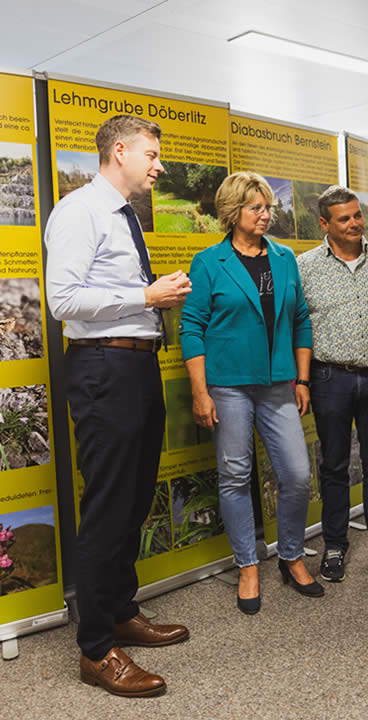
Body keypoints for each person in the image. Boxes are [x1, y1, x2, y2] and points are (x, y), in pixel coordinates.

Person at [44, 115, 191, 698]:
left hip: (135, 364)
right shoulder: (79, 211)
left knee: (133, 496)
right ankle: (96, 648)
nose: (159, 165)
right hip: (102, 366)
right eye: (152, 154)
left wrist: (157, 302)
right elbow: (62, 300)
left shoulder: (125, 214)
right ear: (120, 150)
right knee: (107, 501)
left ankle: (121, 609)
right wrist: (144, 295)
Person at [180, 171, 322, 614]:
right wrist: (201, 393)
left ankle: (292, 555)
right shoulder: (209, 263)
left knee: (297, 475)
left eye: (267, 207)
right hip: (228, 387)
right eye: (255, 208)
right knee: (236, 476)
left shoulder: (284, 258)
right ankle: (247, 564)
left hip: (279, 384)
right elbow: (192, 328)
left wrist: (302, 379)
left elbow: (300, 320)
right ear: (232, 212)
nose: (265, 215)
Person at [297, 186, 368, 583]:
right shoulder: (305, 267)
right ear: (325, 224)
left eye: (357, 215)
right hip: (329, 377)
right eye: (343, 218)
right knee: (333, 466)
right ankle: (335, 546)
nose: (354, 223)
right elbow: (297, 325)